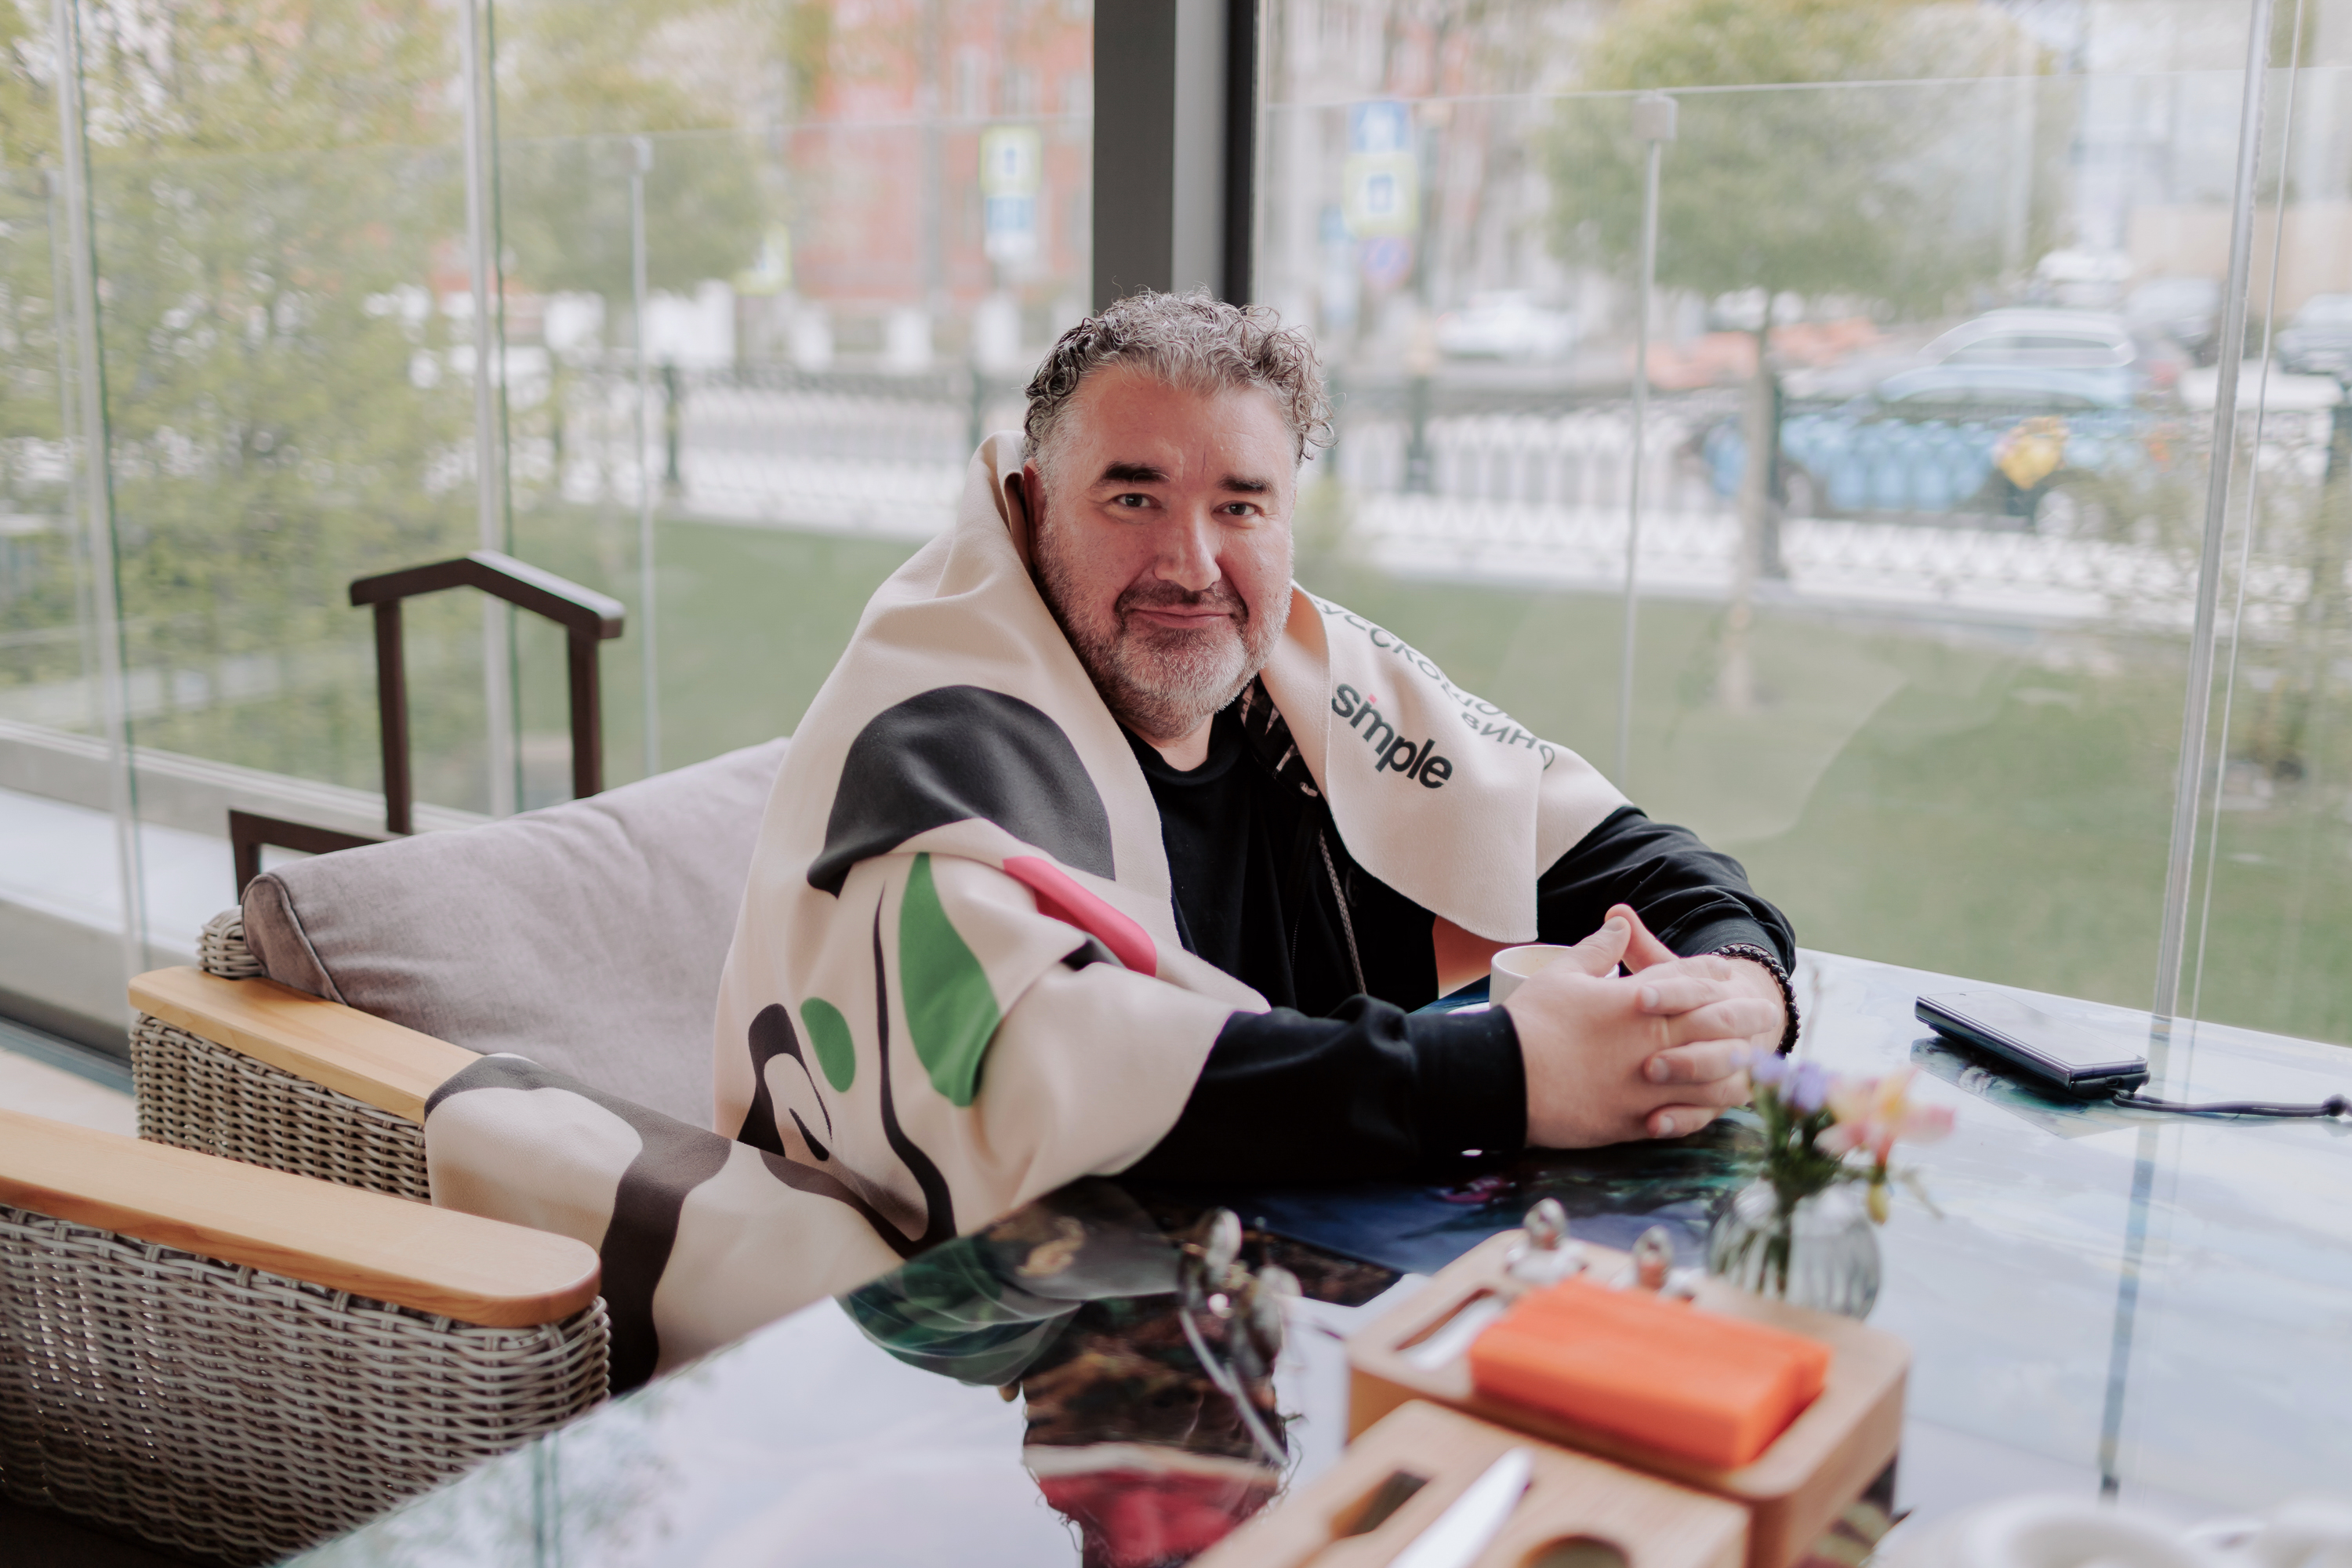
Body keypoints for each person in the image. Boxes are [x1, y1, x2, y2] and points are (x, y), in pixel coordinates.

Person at [710, 291, 1792, 1247]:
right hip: (942, 1338)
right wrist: (1509, 1075)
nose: (1192, 566)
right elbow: (1050, 1071)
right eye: (1133, 498)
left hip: (1261, 1293)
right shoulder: (933, 732)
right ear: (1033, 509)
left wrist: (1734, 992)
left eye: (1240, 505)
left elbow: (1642, 867)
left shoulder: (1301, 687)